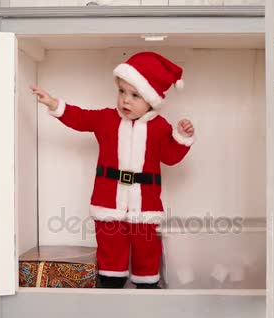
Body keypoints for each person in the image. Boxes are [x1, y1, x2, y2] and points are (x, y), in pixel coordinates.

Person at [31, 51, 195, 289]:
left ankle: (147, 285)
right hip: (108, 201)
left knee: (147, 248)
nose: (125, 100)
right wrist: (54, 103)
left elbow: (169, 158)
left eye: (135, 95)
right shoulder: (106, 119)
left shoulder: (160, 127)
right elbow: (80, 118)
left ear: (152, 99)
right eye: (122, 92)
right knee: (110, 247)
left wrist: (182, 137)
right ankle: (110, 284)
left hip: (145, 205)